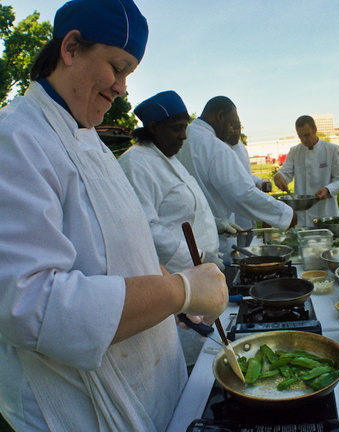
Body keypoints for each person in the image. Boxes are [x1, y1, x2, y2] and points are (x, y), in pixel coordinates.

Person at [0, 1, 228, 430]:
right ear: (70, 48)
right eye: (117, 67)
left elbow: (125, 244)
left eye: (129, 75)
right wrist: (178, 290)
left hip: (147, 377)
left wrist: (171, 291)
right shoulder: (16, 138)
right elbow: (29, 305)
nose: (122, 87)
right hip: (78, 403)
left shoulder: (88, 138)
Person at [118, 90, 228, 368]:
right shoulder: (136, 163)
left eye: (185, 128)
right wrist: (199, 257)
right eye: (177, 129)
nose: (184, 136)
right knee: (188, 354)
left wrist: (218, 226)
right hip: (176, 276)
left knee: (208, 348)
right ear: (153, 127)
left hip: (199, 271)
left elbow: (188, 211)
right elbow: (146, 228)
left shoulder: (169, 158)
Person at [177, 96, 296, 261]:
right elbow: (242, 195)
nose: (232, 130)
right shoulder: (215, 146)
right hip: (212, 242)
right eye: (231, 123)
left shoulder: (184, 138)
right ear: (220, 116)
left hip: (190, 237)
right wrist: (285, 214)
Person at [273, 115, 339, 227]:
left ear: (315, 129)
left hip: (325, 210)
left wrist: (327, 189)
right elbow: (286, 171)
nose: (303, 140)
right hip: (302, 215)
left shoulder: (332, 150)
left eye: (307, 135)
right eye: (300, 136)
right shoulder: (295, 151)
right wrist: (279, 176)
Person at [225, 120, 272, 247]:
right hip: (233, 215)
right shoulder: (222, 149)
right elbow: (233, 183)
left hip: (247, 214)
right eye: (232, 128)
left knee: (248, 243)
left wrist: (259, 182)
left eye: (238, 127)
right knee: (237, 248)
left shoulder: (240, 146)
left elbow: (246, 175)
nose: (235, 131)